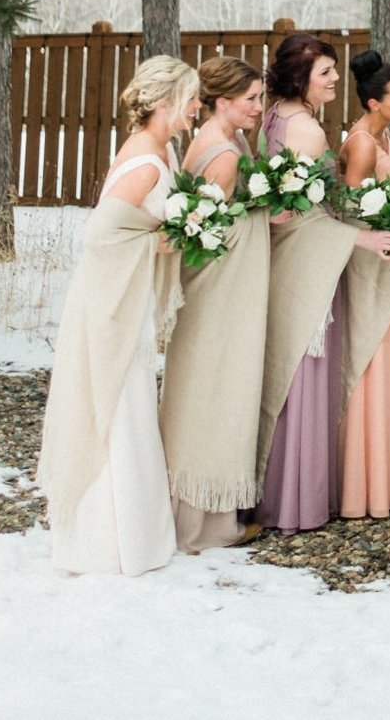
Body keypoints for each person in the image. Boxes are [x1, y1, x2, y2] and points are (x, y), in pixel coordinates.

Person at [39, 58, 201, 576]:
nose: (197, 107)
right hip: (110, 300)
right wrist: (172, 237)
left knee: (129, 403)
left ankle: (136, 534)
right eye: (191, 98)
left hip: (127, 297)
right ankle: (108, 543)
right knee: (115, 404)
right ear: (165, 102)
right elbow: (101, 237)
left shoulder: (164, 150)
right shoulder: (148, 164)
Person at [247, 33, 387, 534]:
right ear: (300, 76)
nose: (334, 80)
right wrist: (361, 238)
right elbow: (307, 215)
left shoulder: (274, 115)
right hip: (308, 262)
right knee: (302, 366)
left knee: (284, 366)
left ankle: (279, 490)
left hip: (292, 258)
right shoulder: (305, 130)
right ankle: (296, 500)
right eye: (325, 72)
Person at [160, 57, 274, 551]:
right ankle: (203, 524)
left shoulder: (217, 138)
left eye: (260, 97)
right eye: (249, 99)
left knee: (205, 390)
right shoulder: (223, 154)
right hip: (220, 295)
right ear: (222, 101)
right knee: (216, 391)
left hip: (224, 291)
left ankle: (202, 510)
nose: (258, 107)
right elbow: (209, 232)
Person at [337, 49, 390, 519]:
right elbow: (345, 210)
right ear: (372, 102)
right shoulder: (362, 143)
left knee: (388, 357)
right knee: (371, 351)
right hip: (366, 264)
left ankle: (385, 478)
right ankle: (360, 484)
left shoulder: (389, 141)